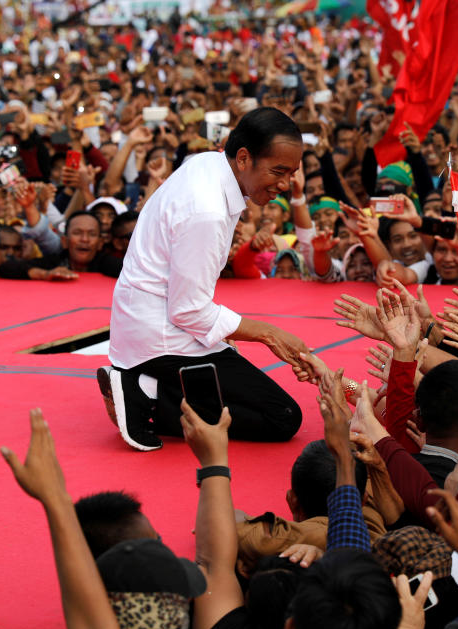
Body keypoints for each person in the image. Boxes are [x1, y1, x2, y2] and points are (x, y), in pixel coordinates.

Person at [99, 107, 314, 451]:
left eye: (292, 173)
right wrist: (269, 333)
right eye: (278, 171)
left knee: (230, 363)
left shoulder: (207, 163)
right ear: (243, 158)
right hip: (161, 336)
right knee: (283, 415)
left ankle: (147, 383)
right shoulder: (207, 212)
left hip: (146, 320)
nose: (286, 185)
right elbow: (188, 311)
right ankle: (148, 402)